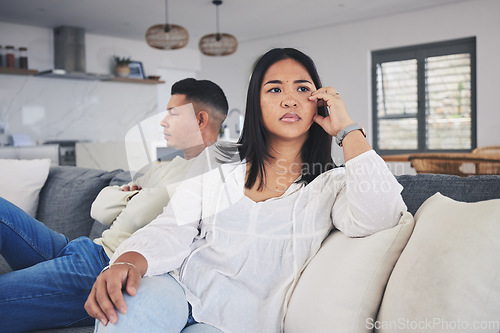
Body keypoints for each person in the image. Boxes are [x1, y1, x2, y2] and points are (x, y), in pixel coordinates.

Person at [85, 48, 407, 333]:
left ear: (318, 103)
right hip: (176, 288)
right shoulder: (220, 162)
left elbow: (381, 214)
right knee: (126, 309)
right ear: (257, 102)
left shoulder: (329, 185)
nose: (290, 99)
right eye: (275, 88)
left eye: (303, 88)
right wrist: (128, 259)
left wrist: (347, 128)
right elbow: (173, 225)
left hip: (238, 322)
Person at [0, 78, 228, 332]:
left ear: (200, 120)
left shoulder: (213, 171)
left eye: (172, 114)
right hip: (84, 248)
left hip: (104, 268)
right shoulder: (167, 159)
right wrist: (139, 196)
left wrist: (137, 196)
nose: (163, 122)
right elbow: (100, 209)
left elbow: (143, 216)